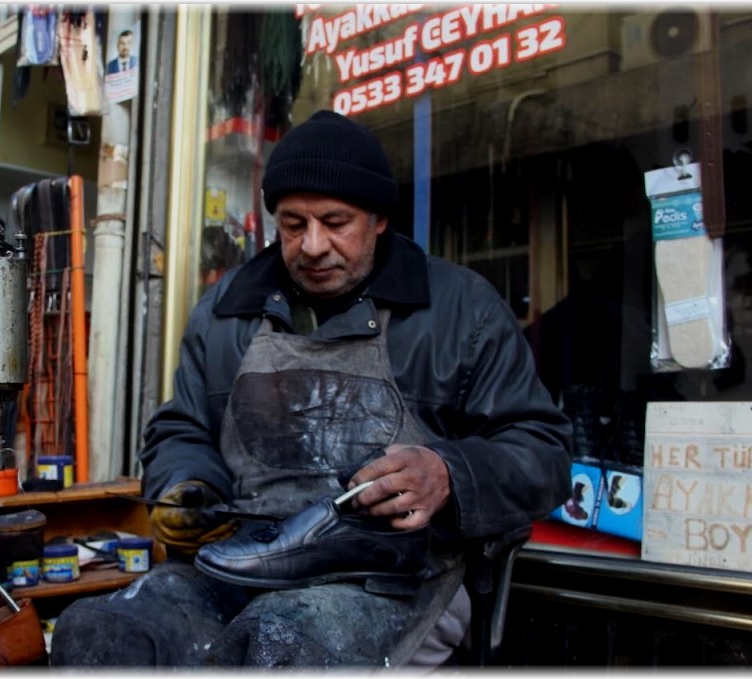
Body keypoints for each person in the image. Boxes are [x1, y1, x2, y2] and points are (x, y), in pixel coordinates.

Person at [51, 110, 572, 667]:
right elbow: (182, 427)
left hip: (397, 577)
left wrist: (448, 475)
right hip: (244, 558)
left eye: (335, 221)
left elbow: (543, 453)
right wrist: (188, 482)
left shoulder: (460, 309)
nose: (313, 245)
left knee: (278, 646)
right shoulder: (229, 310)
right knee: (97, 633)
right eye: (294, 225)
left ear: (378, 220)